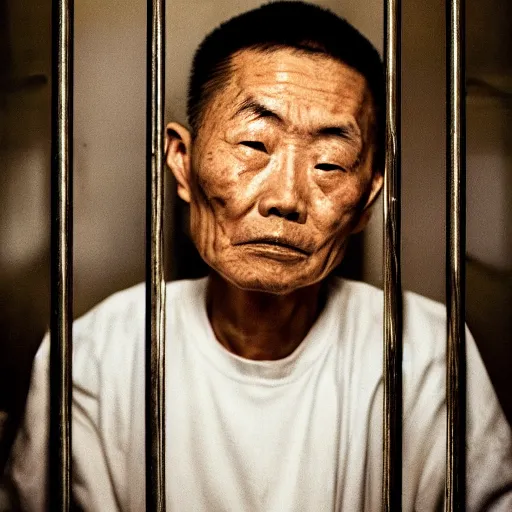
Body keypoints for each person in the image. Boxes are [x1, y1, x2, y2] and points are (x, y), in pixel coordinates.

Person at [7, 2, 512, 511]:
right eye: (254, 143)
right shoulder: (93, 358)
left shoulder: (426, 353)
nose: (285, 198)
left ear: (368, 199)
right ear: (181, 163)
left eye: (331, 163)